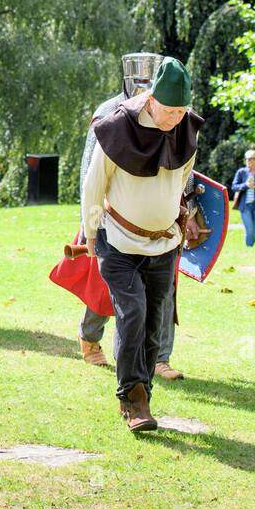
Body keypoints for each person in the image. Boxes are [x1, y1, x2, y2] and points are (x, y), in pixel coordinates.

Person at [81, 57, 201, 432]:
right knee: (131, 314)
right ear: (151, 100)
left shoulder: (185, 128)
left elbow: (184, 174)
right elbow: (93, 185)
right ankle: (132, 399)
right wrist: (90, 234)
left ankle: (143, 391)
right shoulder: (118, 127)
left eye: (182, 111)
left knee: (153, 323)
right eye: (170, 111)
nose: (175, 118)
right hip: (117, 243)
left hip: (164, 245)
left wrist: (173, 215)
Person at [75, 53, 183, 378]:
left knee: (162, 294)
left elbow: (183, 165)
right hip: (112, 219)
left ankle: (160, 357)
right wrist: (89, 219)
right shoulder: (111, 114)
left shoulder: (171, 116)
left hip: (159, 227)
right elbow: (91, 169)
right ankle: (90, 338)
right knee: (106, 288)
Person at [231, 149, 255, 248]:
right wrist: (246, 185)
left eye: (251, 159)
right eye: (247, 159)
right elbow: (234, 187)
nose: (248, 161)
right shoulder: (241, 172)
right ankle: (249, 248)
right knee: (249, 229)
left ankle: (250, 247)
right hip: (245, 206)